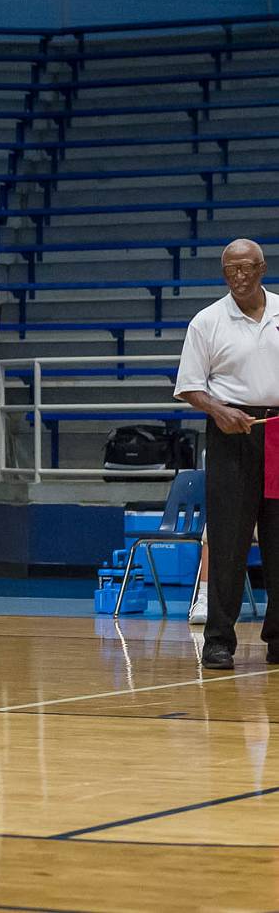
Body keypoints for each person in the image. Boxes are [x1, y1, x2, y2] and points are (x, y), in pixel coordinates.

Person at [174, 237, 279, 670]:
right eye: (230, 269)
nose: (238, 275)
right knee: (229, 540)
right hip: (231, 431)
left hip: (277, 430)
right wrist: (218, 410)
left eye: (246, 267)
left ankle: (278, 639)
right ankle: (218, 640)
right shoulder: (207, 321)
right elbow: (189, 386)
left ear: (261, 268)